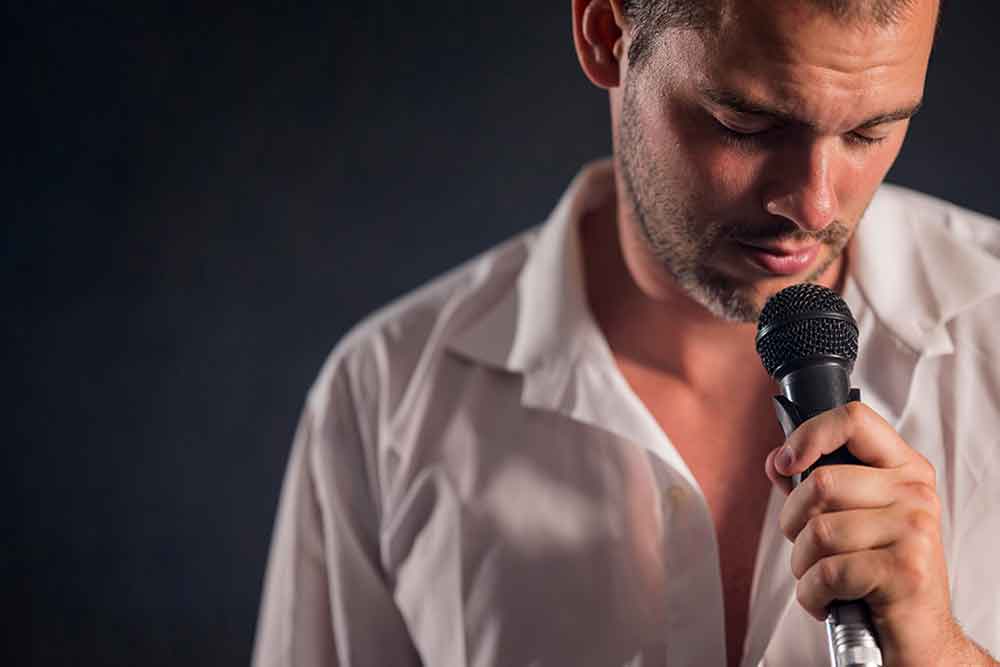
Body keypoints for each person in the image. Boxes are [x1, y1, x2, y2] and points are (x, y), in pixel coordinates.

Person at [253, 0, 1000, 664]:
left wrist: (940, 652)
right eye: (748, 122)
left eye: (872, 129)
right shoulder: (383, 399)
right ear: (607, 30)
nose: (812, 203)